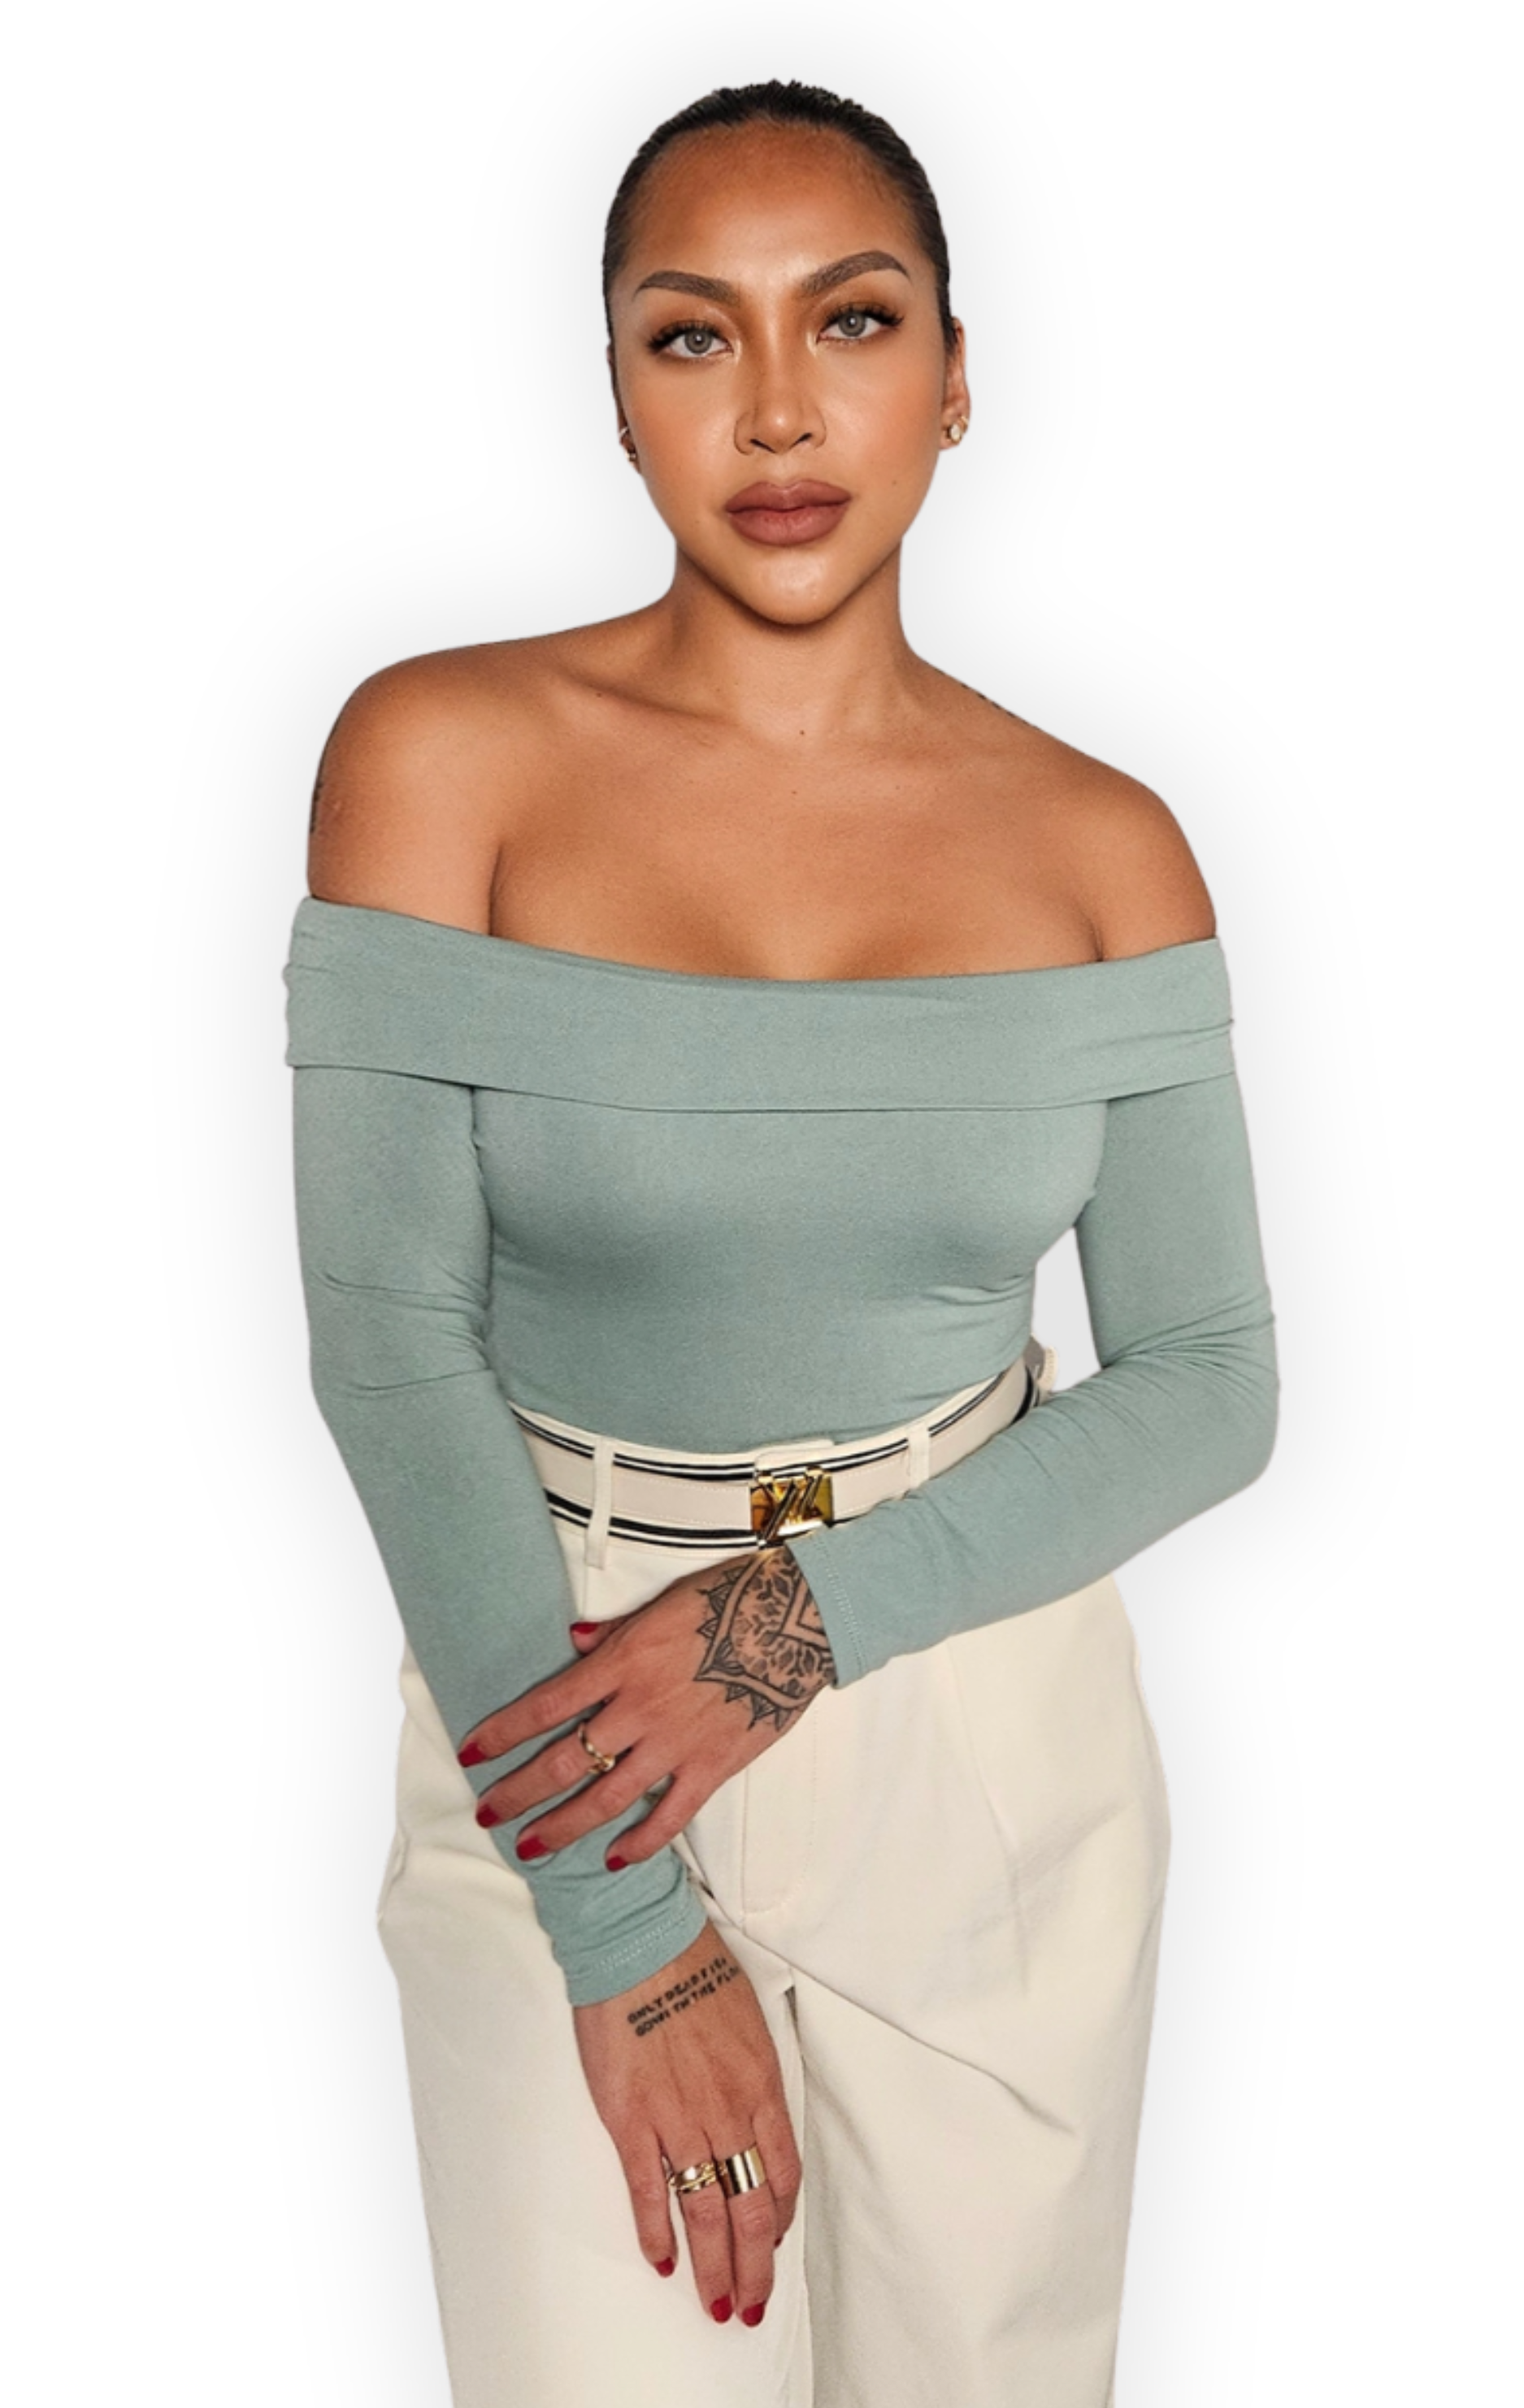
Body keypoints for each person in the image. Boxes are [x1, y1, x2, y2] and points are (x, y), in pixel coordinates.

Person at [283, 77, 1279, 2408]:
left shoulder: (1106, 848)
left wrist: (791, 1625)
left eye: (849, 319)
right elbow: (392, 1347)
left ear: (955, 373)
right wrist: (623, 1930)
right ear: (616, 392)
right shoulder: (439, 760)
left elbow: (1212, 1378)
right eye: (690, 334)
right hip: (558, 1708)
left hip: (987, 1732)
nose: (777, 410)